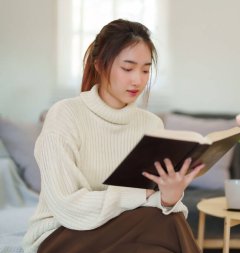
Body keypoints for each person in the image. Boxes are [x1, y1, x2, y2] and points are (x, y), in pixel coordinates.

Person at [22, 19, 205, 253]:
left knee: (161, 234)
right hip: (63, 235)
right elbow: (67, 206)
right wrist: (142, 195)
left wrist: (168, 198)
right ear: (99, 64)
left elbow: (155, 202)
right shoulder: (65, 115)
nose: (137, 80)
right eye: (127, 68)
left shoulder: (152, 124)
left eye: (146, 70)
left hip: (128, 232)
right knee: (168, 223)